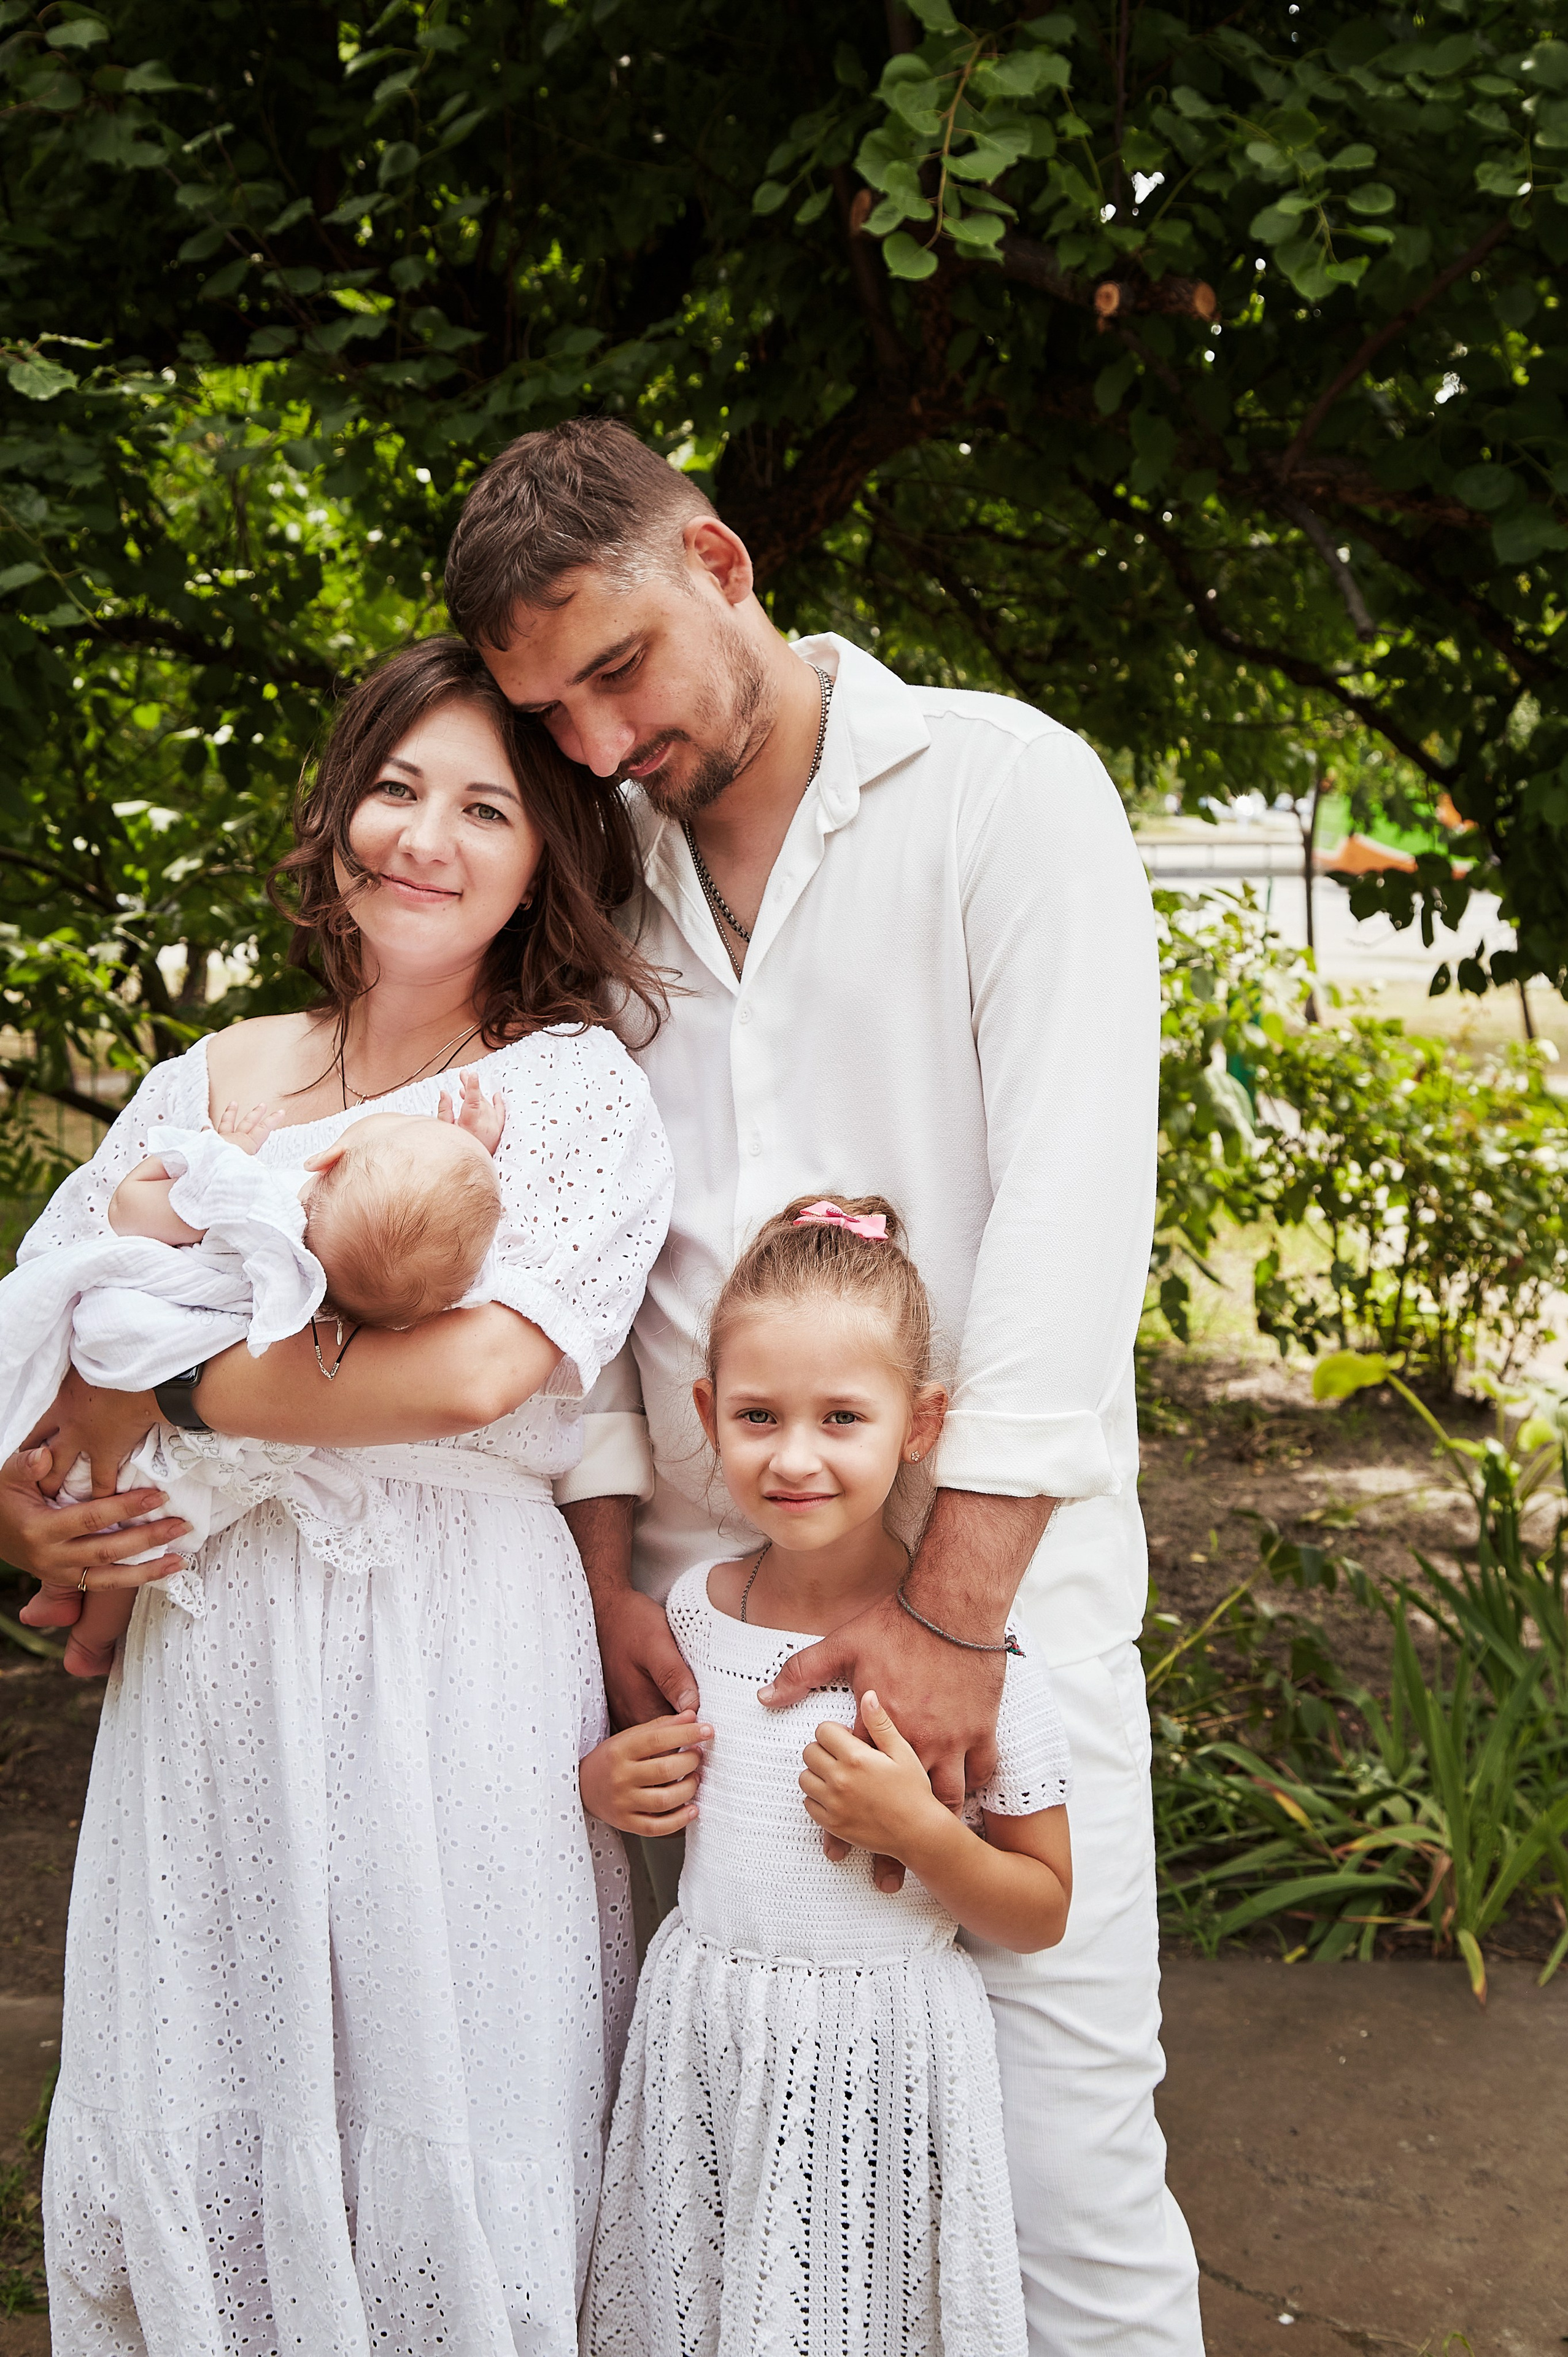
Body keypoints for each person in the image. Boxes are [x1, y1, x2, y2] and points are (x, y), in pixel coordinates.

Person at [444, 419, 1205, 2353]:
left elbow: (1071, 1225)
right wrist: (606, 1581)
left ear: (721, 563)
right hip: (712, 1662)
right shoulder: (591, 880)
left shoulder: (1005, 793)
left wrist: (951, 1619)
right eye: (551, 714)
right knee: (750, 2223)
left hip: (999, 1630)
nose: (597, 741)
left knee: (1063, 2194)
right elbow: (576, 1254)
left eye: (618, 669)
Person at [0, 634, 674, 2355]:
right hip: (216, 1662)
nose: (425, 839)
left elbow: (467, 1375)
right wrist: (37, 1512)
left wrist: (166, 1387)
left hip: (455, 1651)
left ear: (546, 856)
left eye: (485, 808)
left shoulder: (570, 1091)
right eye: (394, 788)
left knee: (449, 2081)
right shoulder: (209, 1079)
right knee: (214, 2073)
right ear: (336, 815)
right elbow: (49, 1355)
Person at [579, 1195, 1073, 2357]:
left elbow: (1043, 1907)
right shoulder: (692, 1616)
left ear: (921, 1424)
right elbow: (664, 1808)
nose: (794, 1456)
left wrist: (925, 1835)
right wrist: (608, 1788)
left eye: (842, 1417)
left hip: (881, 2059)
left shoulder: (969, 1666)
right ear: (707, 1412)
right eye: (758, 1415)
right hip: (708, 2038)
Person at [10, 1072, 509, 1676]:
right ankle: (91, 1641)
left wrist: (215, 1154)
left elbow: (128, 1210)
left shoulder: (259, 1204)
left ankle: (61, 1594)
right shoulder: (349, 1295)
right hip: (217, 1442)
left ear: (326, 1159)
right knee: (148, 1525)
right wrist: (472, 1153)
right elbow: (434, 1239)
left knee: (92, 1489)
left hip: (129, 1358)